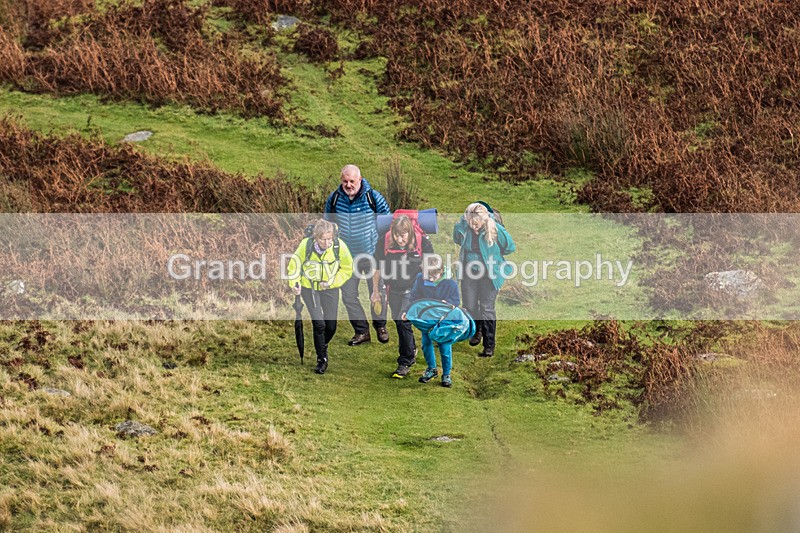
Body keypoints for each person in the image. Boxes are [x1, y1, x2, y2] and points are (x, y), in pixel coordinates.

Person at [324, 164, 391, 346]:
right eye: (345, 181)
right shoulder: (334, 198)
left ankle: (380, 326)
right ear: (341, 180)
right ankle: (361, 331)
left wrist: (383, 251)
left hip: (372, 255)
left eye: (352, 181)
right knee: (348, 296)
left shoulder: (373, 197)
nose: (348, 185)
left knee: (377, 293)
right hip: (347, 258)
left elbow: (387, 222)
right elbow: (327, 223)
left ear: (360, 180)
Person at [286, 219, 353, 374]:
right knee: (319, 324)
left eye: (330, 239)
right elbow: (294, 266)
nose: (327, 243)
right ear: (316, 238)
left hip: (330, 289)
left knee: (331, 326)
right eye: (323, 239)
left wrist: (331, 282)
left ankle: (322, 344)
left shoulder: (339, 246)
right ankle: (322, 359)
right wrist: (295, 284)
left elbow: (347, 269)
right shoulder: (306, 245)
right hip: (309, 289)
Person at [371, 215, 434, 378]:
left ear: (410, 233)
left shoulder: (422, 243)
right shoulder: (384, 242)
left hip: (413, 290)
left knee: (403, 320)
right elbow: (377, 268)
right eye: (396, 235)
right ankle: (411, 348)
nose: (399, 239)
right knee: (399, 322)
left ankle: (405, 361)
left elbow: (431, 267)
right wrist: (375, 291)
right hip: (393, 290)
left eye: (403, 235)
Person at [452, 202, 516, 358]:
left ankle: (489, 345)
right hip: (469, 272)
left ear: (485, 220)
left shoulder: (495, 229)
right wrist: (463, 223)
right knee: (469, 306)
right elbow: (456, 239)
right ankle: (476, 330)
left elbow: (510, 247)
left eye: (477, 224)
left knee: (486, 308)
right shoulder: (464, 227)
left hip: (490, 274)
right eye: (471, 223)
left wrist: (494, 256)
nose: (474, 227)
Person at [402, 255, 460, 388]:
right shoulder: (420, 279)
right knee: (426, 343)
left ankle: (446, 374)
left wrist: (448, 303)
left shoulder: (450, 283)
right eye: (428, 276)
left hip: (444, 320)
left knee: (444, 345)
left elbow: (456, 301)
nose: (431, 279)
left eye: (434, 276)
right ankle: (431, 369)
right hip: (427, 318)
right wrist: (407, 310)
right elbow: (414, 296)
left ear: (441, 271)